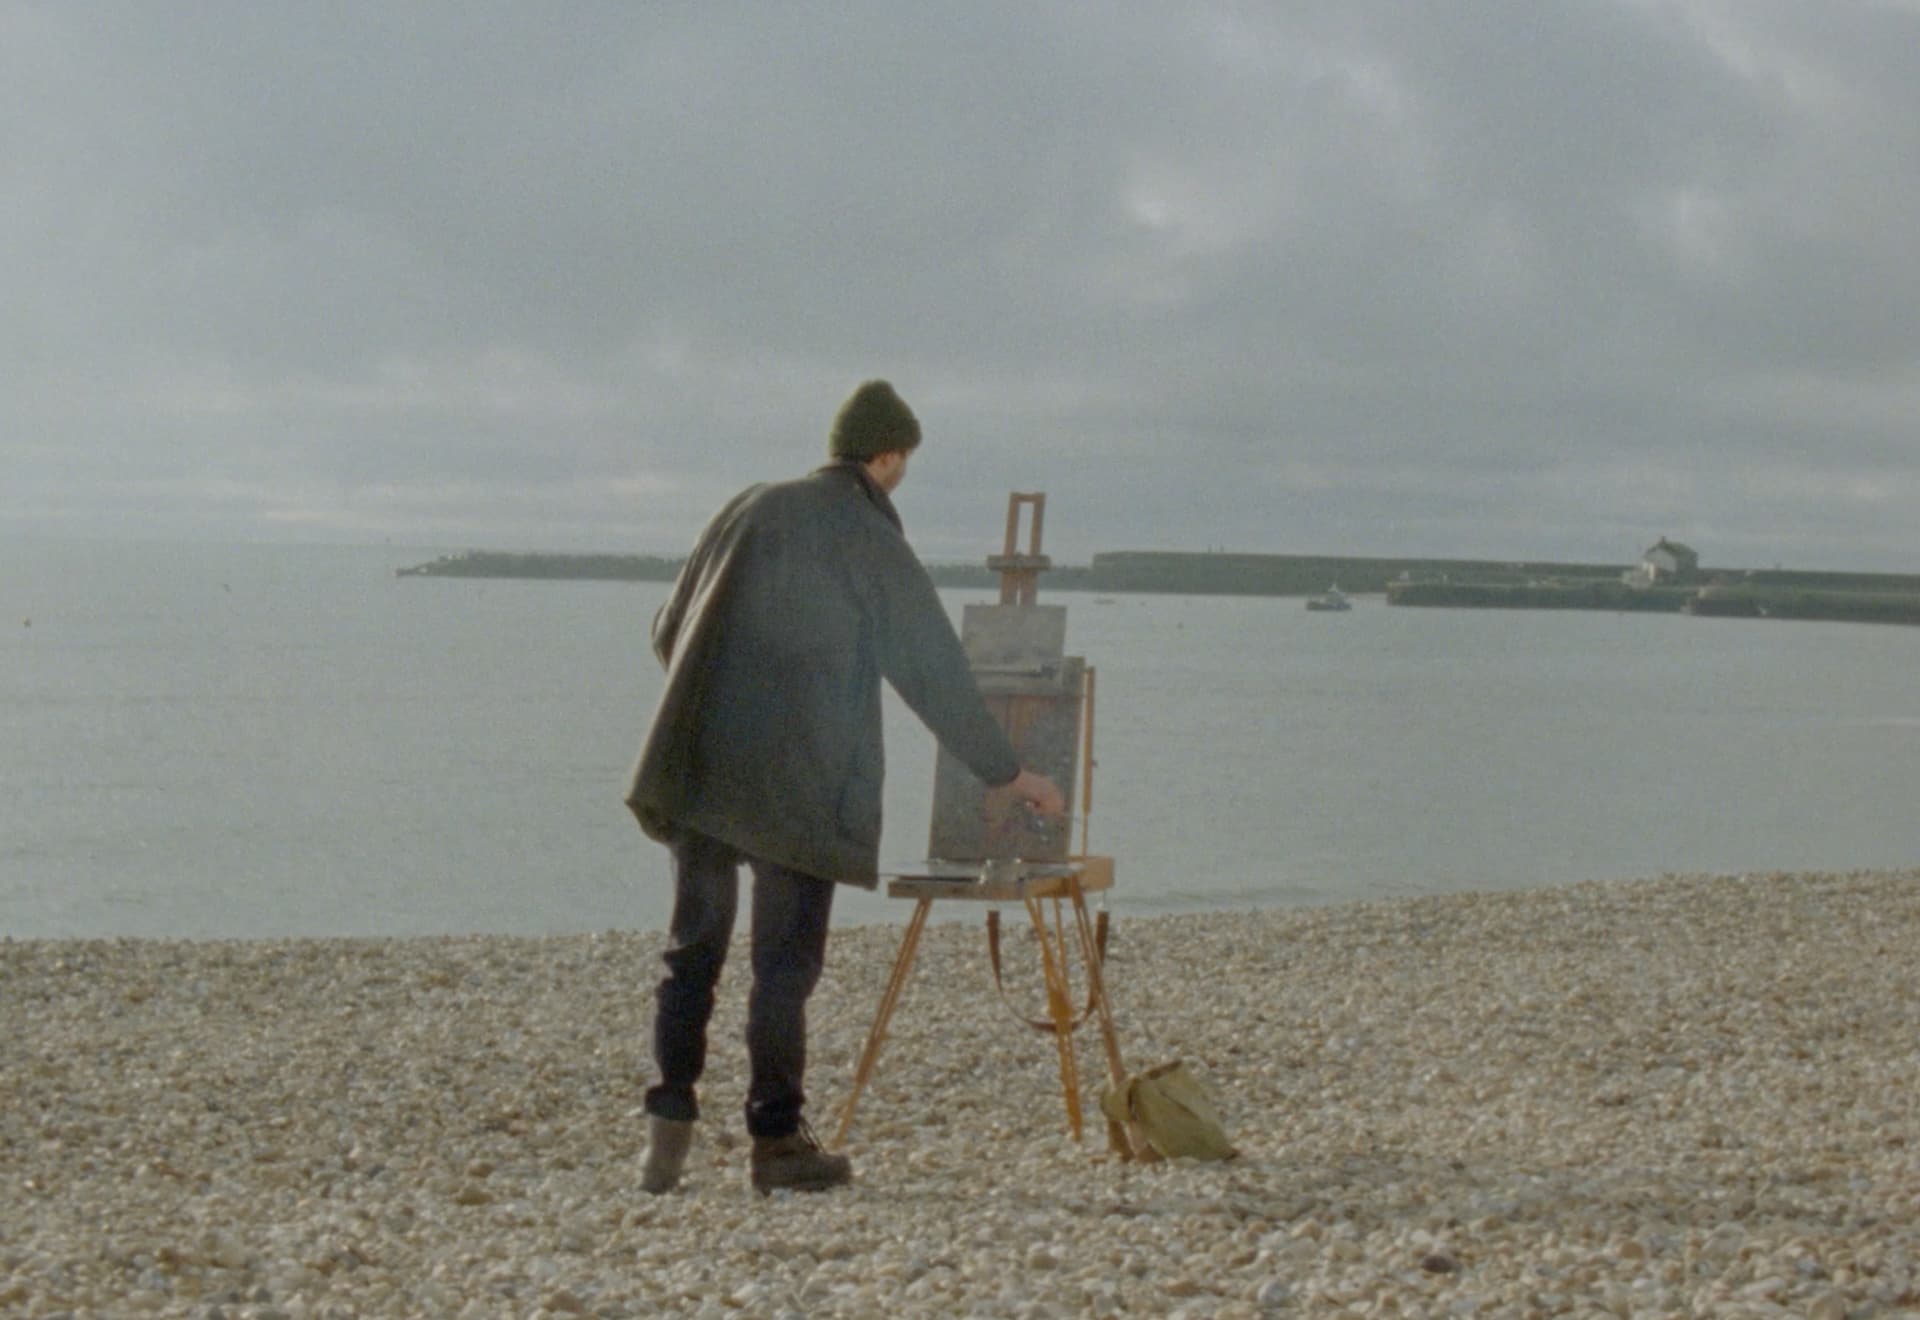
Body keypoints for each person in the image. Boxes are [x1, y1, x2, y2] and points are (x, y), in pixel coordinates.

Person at [624, 379, 1065, 1194]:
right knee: (782, 970)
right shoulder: (867, 535)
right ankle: (777, 1144)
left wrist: (719, 705)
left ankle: (666, 1139)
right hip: (802, 788)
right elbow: (932, 672)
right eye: (904, 464)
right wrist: (1011, 774)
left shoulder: (746, 508)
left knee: (692, 955)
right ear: (886, 457)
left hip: (703, 780)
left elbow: (666, 628)